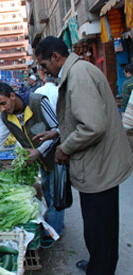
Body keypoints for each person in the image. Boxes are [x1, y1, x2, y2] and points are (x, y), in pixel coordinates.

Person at [34, 36, 133, 275]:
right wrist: (57, 133)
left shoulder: (78, 75)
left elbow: (92, 126)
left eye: (44, 65)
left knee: (101, 229)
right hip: (96, 166)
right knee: (97, 227)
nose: (43, 71)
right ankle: (97, 263)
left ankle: (100, 269)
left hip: (99, 167)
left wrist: (64, 148)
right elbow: (80, 119)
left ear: (56, 57)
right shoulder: (77, 72)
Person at [0, 82, 64, 245]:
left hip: (56, 156)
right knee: (48, 192)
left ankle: (53, 234)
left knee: (57, 195)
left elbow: (58, 129)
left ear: (12, 96)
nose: (2, 108)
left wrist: (39, 150)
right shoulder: (5, 117)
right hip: (38, 160)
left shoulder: (38, 102)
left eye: (4, 103)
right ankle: (56, 224)